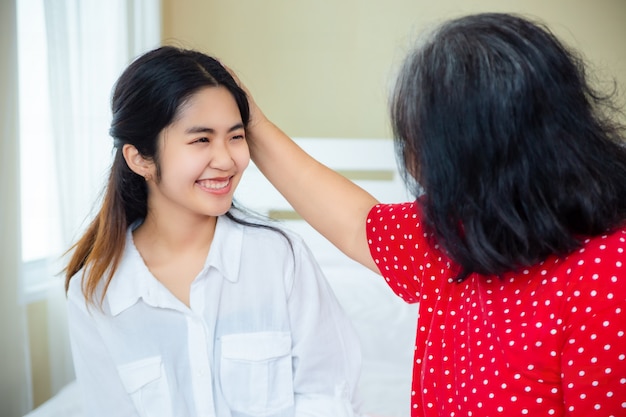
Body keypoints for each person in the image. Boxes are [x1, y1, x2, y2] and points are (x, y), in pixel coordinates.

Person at [238, 12, 626, 417]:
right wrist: (255, 124)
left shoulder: (609, 273)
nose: (416, 167)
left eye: (420, 146)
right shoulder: (456, 229)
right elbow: (356, 224)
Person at [64, 46, 365, 417]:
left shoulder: (279, 256)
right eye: (201, 139)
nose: (226, 160)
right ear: (140, 158)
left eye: (236, 137)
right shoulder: (95, 291)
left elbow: (328, 395)